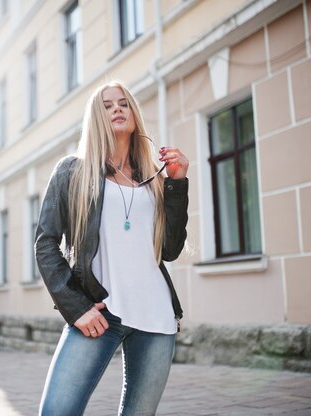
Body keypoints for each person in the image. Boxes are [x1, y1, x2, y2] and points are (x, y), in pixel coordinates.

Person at [35, 80, 189, 416]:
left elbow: (171, 249)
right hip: (100, 313)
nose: (117, 109)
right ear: (96, 118)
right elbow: (46, 245)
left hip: (157, 319)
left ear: (134, 113)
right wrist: (76, 308)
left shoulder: (154, 180)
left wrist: (177, 184)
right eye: (107, 106)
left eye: (123, 103)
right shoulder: (72, 172)